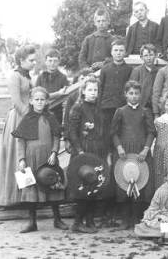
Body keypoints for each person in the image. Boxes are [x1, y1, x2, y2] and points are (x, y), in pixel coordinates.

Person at [11, 87, 67, 233]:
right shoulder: (27, 118)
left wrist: (54, 152)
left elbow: (56, 136)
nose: (40, 102)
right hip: (31, 158)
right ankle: (32, 222)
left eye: (42, 99)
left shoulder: (51, 117)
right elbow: (21, 141)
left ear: (47, 101)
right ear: (31, 101)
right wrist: (21, 159)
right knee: (31, 190)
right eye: (37, 99)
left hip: (49, 158)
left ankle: (58, 219)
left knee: (53, 186)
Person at [111, 81, 156, 229]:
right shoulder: (120, 111)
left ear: (140, 95)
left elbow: (151, 132)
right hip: (124, 153)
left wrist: (145, 149)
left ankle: (137, 217)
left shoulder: (145, 111)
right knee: (124, 184)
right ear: (125, 95)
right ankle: (125, 219)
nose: (134, 96)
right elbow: (114, 133)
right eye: (131, 93)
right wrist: (119, 148)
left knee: (140, 183)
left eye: (136, 93)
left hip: (140, 153)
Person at [68, 76, 109, 232]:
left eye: (95, 90)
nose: (93, 93)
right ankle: (77, 223)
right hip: (83, 152)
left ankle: (90, 220)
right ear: (83, 91)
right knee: (83, 187)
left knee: (94, 186)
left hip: (97, 151)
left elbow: (102, 131)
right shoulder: (78, 108)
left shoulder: (99, 108)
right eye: (90, 90)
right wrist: (79, 151)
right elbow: (72, 132)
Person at [0, 45, 35, 207]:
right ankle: (13, 198)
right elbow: (17, 102)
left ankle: (25, 197)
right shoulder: (14, 76)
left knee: (26, 157)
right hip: (18, 120)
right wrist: (32, 117)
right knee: (17, 157)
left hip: (27, 117)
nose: (34, 63)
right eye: (31, 60)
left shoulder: (27, 76)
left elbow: (34, 97)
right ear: (21, 60)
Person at [99, 39, 133, 150]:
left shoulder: (129, 69)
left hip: (122, 107)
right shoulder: (105, 69)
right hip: (107, 108)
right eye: (116, 50)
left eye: (121, 50)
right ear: (111, 52)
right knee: (107, 135)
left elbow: (130, 89)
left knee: (121, 134)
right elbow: (100, 88)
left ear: (125, 52)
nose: (118, 53)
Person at [35, 49, 69, 124]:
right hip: (42, 113)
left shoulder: (63, 78)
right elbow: (36, 96)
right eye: (50, 60)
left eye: (55, 61)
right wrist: (57, 94)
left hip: (57, 114)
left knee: (56, 135)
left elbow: (66, 97)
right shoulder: (40, 77)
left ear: (59, 62)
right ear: (46, 62)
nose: (52, 63)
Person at [63, 69, 93, 153]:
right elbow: (66, 119)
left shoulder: (96, 97)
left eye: (88, 79)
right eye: (82, 79)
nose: (85, 81)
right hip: (76, 136)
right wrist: (66, 138)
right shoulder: (73, 97)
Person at [129, 44, 159, 112]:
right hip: (140, 106)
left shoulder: (159, 72)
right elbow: (131, 89)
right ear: (141, 57)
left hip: (154, 107)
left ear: (155, 56)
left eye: (151, 55)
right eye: (146, 55)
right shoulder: (137, 71)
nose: (149, 58)